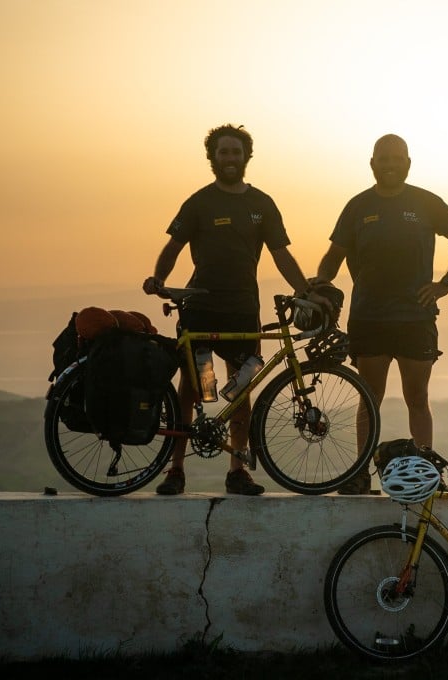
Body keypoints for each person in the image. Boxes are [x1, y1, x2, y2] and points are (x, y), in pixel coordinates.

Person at [143, 124, 325, 496]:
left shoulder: (261, 204)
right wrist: (158, 277)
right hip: (202, 307)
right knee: (195, 388)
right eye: (223, 152)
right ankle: (175, 470)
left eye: (236, 152)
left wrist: (305, 291)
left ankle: (237, 471)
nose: (229, 158)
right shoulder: (199, 202)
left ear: (246, 157)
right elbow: (173, 246)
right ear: (212, 157)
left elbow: (281, 255)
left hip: (242, 310)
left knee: (241, 389)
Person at [316, 133, 448, 494]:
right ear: (372, 163)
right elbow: (333, 256)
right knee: (368, 398)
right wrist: (319, 282)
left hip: (415, 317)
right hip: (369, 317)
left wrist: (445, 284)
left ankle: (426, 477)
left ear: (408, 162)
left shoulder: (426, 202)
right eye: (382, 159)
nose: (389, 165)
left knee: (417, 399)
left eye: (396, 158)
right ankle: (358, 475)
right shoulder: (358, 206)